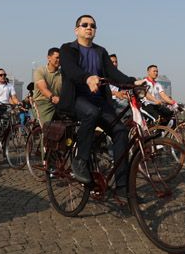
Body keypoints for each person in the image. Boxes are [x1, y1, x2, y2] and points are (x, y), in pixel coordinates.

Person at [58, 15, 139, 199]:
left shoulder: (100, 52)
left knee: (120, 131)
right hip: (76, 99)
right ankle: (80, 160)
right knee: (91, 113)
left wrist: (133, 82)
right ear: (76, 30)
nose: (89, 28)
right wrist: (87, 77)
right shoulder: (67, 49)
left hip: (99, 101)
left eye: (93, 25)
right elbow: (70, 70)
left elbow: (113, 73)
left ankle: (122, 187)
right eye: (84, 25)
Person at [32, 48, 62, 125]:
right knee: (48, 129)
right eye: (57, 57)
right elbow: (43, 88)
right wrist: (52, 97)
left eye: (61, 58)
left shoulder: (63, 73)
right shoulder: (40, 71)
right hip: (41, 103)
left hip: (58, 104)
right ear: (49, 58)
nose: (59, 60)